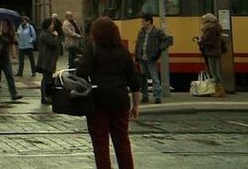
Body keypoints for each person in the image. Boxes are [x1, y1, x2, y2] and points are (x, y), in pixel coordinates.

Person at [76, 17, 141, 169]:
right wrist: (136, 105)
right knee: (122, 141)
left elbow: (81, 72)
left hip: (98, 99)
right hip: (120, 99)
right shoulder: (123, 51)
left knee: (100, 143)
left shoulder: (92, 49)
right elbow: (134, 81)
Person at [134, 14, 169, 104]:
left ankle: (157, 96)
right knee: (143, 77)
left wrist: (160, 49)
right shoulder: (141, 32)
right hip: (142, 58)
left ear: (149, 21)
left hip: (151, 58)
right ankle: (145, 96)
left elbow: (168, 40)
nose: (142, 23)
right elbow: (138, 44)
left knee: (154, 77)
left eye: (143, 21)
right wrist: (137, 56)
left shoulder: (157, 32)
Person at [0, 20, 23, 101]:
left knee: (9, 75)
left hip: (5, 57)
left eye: (5, 25)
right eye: (2, 24)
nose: (3, 26)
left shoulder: (9, 35)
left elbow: (13, 44)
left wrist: (14, 56)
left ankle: (14, 93)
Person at [199, 13, 225, 92]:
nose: (202, 21)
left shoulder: (211, 29)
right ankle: (219, 89)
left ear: (208, 20)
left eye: (203, 20)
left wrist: (201, 40)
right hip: (214, 51)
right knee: (215, 72)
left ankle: (219, 90)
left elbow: (210, 41)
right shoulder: (214, 28)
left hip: (212, 52)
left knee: (214, 72)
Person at [37, 18, 61, 105]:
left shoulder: (47, 34)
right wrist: (56, 36)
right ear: (48, 25)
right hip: (47, 61)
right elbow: (54, 44)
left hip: (49, 60)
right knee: (46, 79)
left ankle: (47, 96)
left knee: (48, 78)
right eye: (52, 24)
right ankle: (45, 96)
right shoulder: (45, 35)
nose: (53, 26)